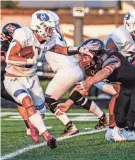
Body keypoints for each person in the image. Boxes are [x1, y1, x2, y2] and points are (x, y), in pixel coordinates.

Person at [57, 38, 135, 142]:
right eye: (82, 56)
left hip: (126, 82)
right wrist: (68, 103)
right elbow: (83, 87)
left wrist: (90, 81)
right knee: (121, 103)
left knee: (128, 106)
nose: (82, 59)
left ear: (95, 54)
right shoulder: (91, 67)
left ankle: (121, 129)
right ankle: (114, 130)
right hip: (116, 83)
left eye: (85, 56)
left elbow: (105, 72)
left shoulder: (111, 58)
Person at [4, 10, 57, 149]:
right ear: (38, 26)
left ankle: (33, 125)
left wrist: (80, 50)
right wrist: (28, 60)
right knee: (26, 101)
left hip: (32, 78)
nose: (51, 30)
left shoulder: (49, 39)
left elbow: (61, 49)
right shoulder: (24, 33)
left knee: (41, 113)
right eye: (48, 27)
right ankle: (47, 136)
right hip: (13, 78)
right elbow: (10, 57)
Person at [0, 22, 37, 138]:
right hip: (3, 77)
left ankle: (29, 126)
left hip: (8, 76)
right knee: (22, 99)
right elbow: (4, 57)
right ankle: (30, 126)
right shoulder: (4, 43)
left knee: (21, 99)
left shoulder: (14, 42)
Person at [104, 9, 135, 141]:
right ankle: (111, 129)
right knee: (120, 93)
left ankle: (128, 128)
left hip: (126, 71)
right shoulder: (120, 35)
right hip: (108, 69)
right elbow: (107, 54)